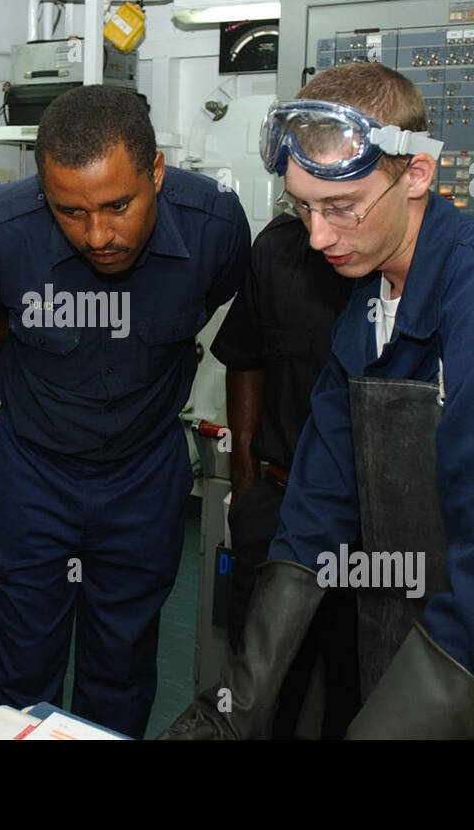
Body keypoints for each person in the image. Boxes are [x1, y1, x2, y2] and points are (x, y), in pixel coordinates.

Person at [165, 61, 474, 739]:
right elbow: (317, 505)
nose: (318, 238)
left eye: (342, 208)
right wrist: (230, 712)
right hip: (402, 651)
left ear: (416, 175)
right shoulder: (371, 299)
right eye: (302, 207)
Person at [0, 84, 251, 738]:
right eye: (71, 212)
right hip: (32, 474)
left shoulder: (215, 223)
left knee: (124, 664)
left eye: (119, 205)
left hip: (144, 476)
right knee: (24, 666)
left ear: (157, 173)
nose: (98, 235)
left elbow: (219, 303)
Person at [209, 208, 358, 738]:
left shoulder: (428, 268)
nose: (319, 227)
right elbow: (245, 355)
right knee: (263, 697)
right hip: (280, 508)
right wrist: (247, 477)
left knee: (362, 692)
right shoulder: (278, 250)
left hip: (378, 534)